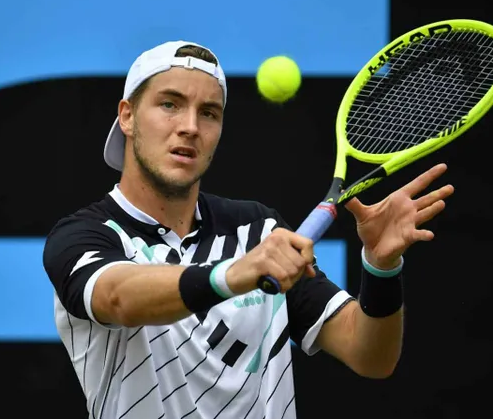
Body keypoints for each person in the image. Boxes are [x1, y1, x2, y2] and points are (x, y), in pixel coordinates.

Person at [42, 40, 454, 419]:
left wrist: (381, 267)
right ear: (128, 117)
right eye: (170, 105)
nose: (190, 126)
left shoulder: (258, 229)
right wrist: (236, 274)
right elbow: (118, 298)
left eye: (209, 113)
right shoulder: (84, 236)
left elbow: (371, 357)